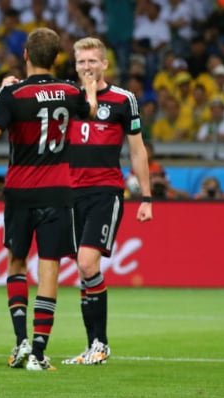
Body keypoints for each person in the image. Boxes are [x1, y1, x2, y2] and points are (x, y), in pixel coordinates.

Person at [0, 27, 98, 371]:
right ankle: (39, 353)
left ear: (25, 54)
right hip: (58, 192)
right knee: (49, 268)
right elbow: (90, 111)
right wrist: (91, 85)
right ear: (56, 59)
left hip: (20, 192)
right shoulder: (70, 91)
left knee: (17, 263)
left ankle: (21, 342)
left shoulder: (12, 94)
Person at [62, 37, 153, 366]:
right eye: (81, 62)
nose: (87, 67)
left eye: (92, 62)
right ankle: (93, 346)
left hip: (105, 190)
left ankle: (100, 343)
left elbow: (137, 149)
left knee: (88, 264)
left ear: (104, 64)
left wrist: (146, 196)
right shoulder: (69, 99)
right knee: (84, 272)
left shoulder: (122, 99)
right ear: (75, 66)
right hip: (71, 192)